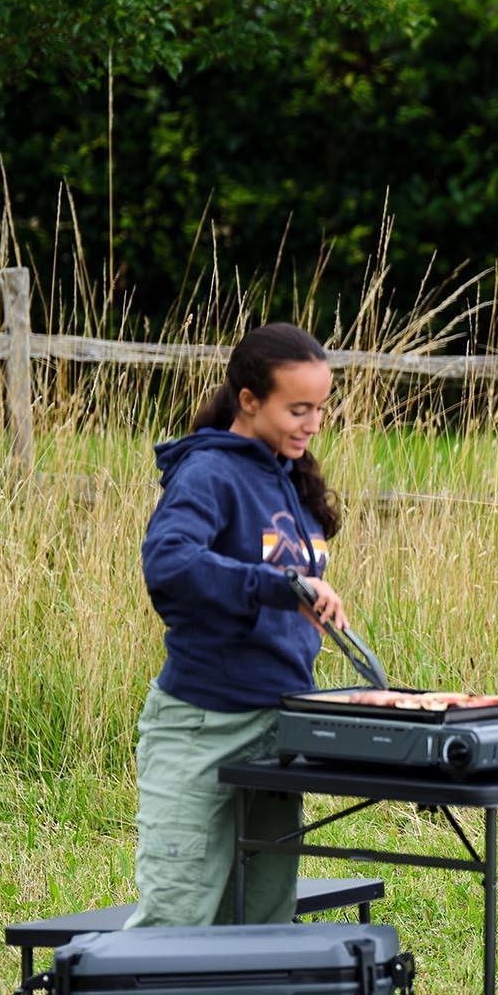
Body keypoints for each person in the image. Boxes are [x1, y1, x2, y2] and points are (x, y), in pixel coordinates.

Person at [134, 322, 354, 926]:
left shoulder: (285, 478)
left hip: (278, 726)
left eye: (321, 409)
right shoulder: (210, 473)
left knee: (263, 918)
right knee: (174, 918)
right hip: (203, 729)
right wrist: (284, 588)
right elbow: (170, 564)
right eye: (298, 409)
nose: (312, 424)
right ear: (250, 401)